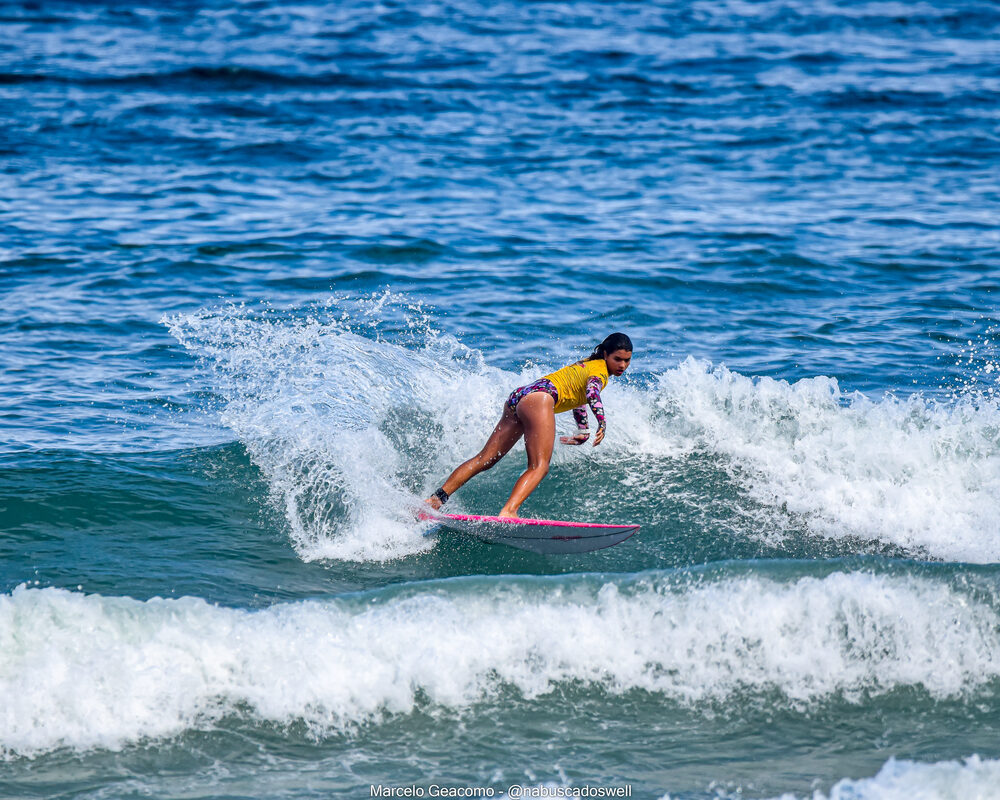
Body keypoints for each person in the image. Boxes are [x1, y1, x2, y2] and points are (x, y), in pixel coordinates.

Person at [426, 332, 633, 519]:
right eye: (617, 359)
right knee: (539, 466)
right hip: (540, 400)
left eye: (627, 360)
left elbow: (579, 398)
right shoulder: (600, 374)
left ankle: (436, 500)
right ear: (605, 354)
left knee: (485, 459)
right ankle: (509, 511)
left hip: (520, 396)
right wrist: (602, 422)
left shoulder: (587, 364)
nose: (622, 365)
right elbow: (591, 394)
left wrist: (583, 429)